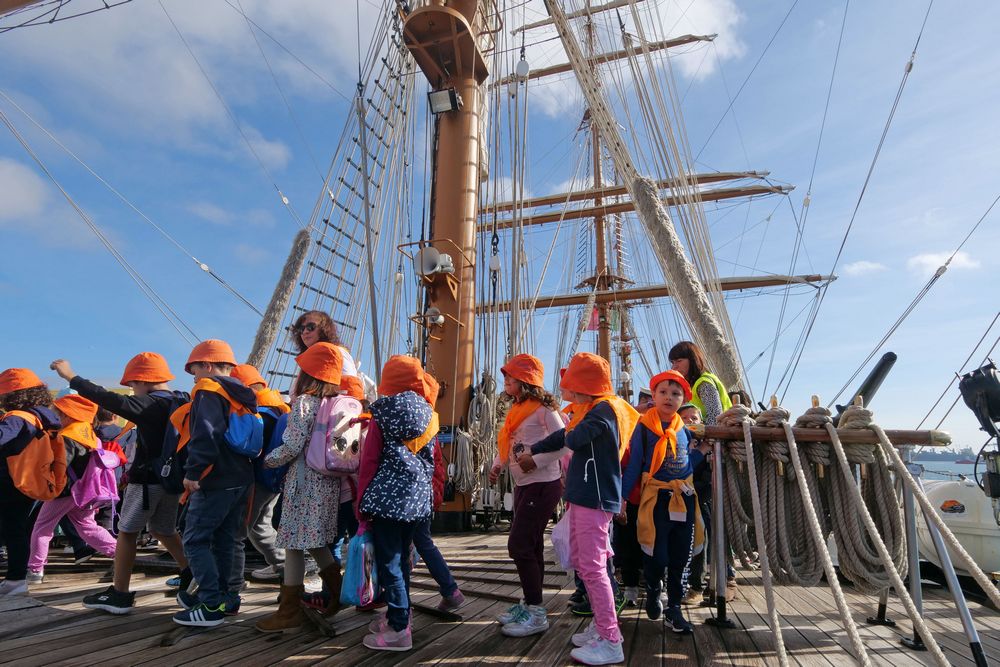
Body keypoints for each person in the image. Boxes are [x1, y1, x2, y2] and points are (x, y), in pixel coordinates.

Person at [517, 352, 640, 666]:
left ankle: (611, 639)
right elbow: (563, 435)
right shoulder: (592, 410)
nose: (562, 387)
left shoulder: (601, 411)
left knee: (593, 568)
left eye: (568, 380)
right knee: (590, 565)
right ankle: (602, 627)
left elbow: (574, 437)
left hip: (594, 499)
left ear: (582, 384)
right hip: (587, 498)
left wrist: (543, 446)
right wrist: (535, 448)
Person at [52, 353, 192, 614]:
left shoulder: (150, 406)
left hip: (147, 480)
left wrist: (71, 377)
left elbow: (109, 399)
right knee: (163, 529)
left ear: (143, 380)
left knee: (127, 533)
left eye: (133, 385)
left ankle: (120, 594)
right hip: (172, 479)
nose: (131, 390)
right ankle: (189, 571)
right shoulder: (182, 399)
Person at [254, 343, 347, 633]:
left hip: (304, 484)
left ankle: (289, 610)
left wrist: (265, 461)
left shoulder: (306, 403)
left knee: (293, 544)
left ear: (308, 374)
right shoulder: (336, 405)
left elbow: (292, 445)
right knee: (316, 540)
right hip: (329, 483)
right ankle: (339, 592)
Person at [357, 355, 439, 652]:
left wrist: (361, 502)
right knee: (402, 560)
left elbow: (369, 462)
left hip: (387, 502)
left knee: (389, 563)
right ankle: (400, 616)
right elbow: (433, 461)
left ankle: (399, 628)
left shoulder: (382, 415)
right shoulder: (431, 416)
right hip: (417, 501)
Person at [172, 340, 256, 628]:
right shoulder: (241, 394)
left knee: (195, 539)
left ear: (207, 366)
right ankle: (227, 598)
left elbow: (206, 435)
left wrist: (193, 472)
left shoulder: (209, 391)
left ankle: (209, 603)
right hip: (241, 477)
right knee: (225, 540)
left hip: (215, 478)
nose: (193, 377)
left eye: (194, 370)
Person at [621, 371, 709, 634]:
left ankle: (674, 610)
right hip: (656, 499)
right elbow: (635, 464)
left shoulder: (684, 431)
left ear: (682, 399)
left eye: (675, 393)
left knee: (680, 556)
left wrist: (702, 452)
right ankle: (652, 587)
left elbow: (685, 466)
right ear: (654, 396)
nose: (669, 398)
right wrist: (623, 499)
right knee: (656, 554)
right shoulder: (644, 428)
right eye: (663, 392)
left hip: (683, 498)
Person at [488, 354, 566, 637]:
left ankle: (536, 613)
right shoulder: (516, 410)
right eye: (506, 375)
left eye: (512, 376)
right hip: (523, 485)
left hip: (543, 484)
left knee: (518, 545)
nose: (506, 379)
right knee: (531, 547)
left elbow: (565, 444)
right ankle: (531, 603)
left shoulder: (545, 410)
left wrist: (538, 460)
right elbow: (508, 443)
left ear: (526, 380)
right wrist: (498, 465)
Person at [667, 341, 737, 599]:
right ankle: (706, 580)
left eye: (679, 361)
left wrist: (695, 436)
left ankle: (726, 579)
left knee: (710, 520)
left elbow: (715, 417)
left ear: (691, 360)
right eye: (673, 362)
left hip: (711, 461)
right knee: (702, 521)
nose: (675, 366)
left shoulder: (703, 383)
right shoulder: (690, 388)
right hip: (700, 459)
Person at [27, 395, 118, 583]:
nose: (55, 416)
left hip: (64, 491)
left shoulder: (67, 437)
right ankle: (120, 554)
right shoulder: (90, 435)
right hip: (86, 491)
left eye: (58, 412)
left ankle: (35, 570)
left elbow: (59, 467)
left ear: (68, 415)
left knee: (42, 528)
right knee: (88, 527)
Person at [0, 368, 61, 597]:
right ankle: (15, 579)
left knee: (12, 530)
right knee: (17, 530)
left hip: (9, 483)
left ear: (12, 395)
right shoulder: (43, 417)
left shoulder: (17, 419)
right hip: (28, 482)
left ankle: (16, 580)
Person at [228, 364, 289, 589]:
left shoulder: (257, 413)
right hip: (274, 481)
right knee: (259, 526)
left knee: (236, 533)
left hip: (257, 481)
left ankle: (232, 583)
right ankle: (284, 567)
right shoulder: (278, 408)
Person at [408, 373, 464, 614]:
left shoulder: (408, 421)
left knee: (400, 546)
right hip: (427, 497)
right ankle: (450, 589)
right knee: (423, 542)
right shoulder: (431, 423)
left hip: (410, 498)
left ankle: (398, 608)